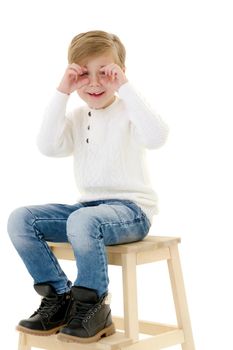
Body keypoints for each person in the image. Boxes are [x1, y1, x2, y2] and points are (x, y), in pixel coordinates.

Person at [7, 30, 169, 344]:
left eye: (105, 74)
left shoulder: (130, 111)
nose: (95, 83)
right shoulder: (79, 117)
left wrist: (125, 87)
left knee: (82, 221)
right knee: (20, 219)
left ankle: (93, 303)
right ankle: (59, 297)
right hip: (88, 211)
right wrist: (62, 93)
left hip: (130, 212)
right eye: (84, 74)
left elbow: (157, 136)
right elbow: (47, 145)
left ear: (120, 74)